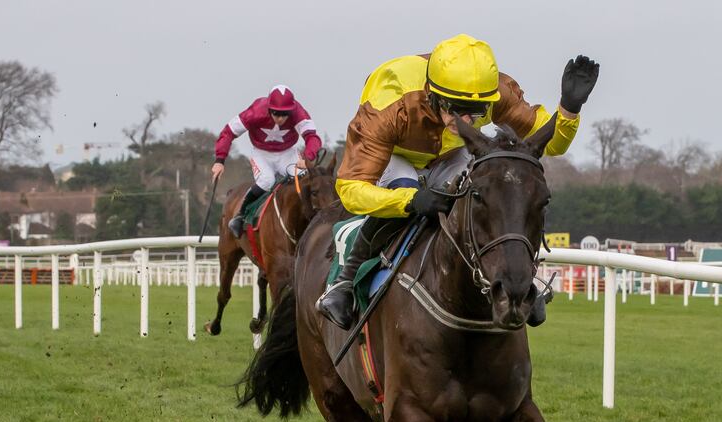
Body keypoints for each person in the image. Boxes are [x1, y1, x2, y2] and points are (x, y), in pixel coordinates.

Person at [317, 34, 599, 329]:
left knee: (487, 193)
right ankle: (344, 282)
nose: (464, 118)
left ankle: (522, 282)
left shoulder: (495, 93)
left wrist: (568, 109)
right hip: (396, 157)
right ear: (433, 95)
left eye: (475, 112)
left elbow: (549, 145)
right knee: (407, 191)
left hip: (452, 154)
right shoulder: (389, 102)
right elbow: (350, 189)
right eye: (454, 107)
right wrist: (410, 200)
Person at [211, 85, 323, 237]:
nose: (281, 119)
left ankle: (313, 218)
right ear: (269, 108)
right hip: (262, 154)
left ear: (292, 110)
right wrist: (219, 161)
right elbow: (228, 132)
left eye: (285, 114)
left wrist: (308, 157)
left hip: (287, 153)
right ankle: (240, 215)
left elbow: (312, 137)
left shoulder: (298, 112)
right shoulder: (256, 111)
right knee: (266, 180)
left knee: (304, 178)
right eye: (276, 113)